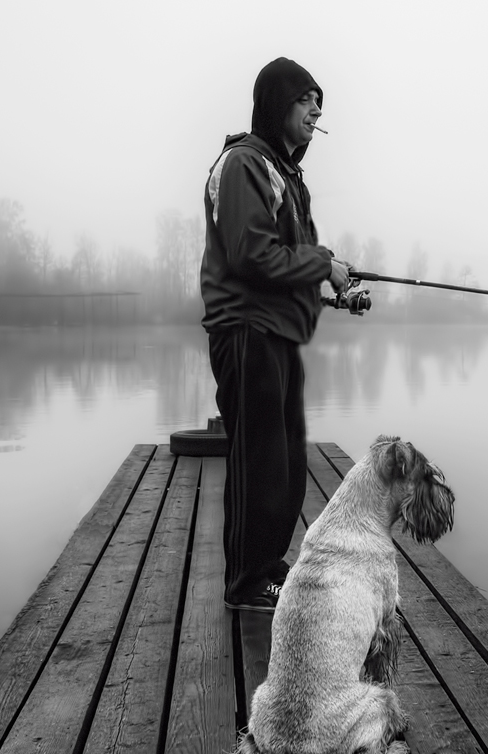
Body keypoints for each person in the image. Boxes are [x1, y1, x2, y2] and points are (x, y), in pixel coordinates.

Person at [200, 57, 349, 612]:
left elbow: (284, 260)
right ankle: (245, 582)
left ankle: (266, 566)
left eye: (320, 103)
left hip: (276, 333)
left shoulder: (284, 174)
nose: (316, 110)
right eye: (307, 99)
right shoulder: (244, 164)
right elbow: (251, 254)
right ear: (277, 103)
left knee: (283, 460)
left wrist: (330, 283)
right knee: (258, 459)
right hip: (246, 331)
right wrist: (321, 264)